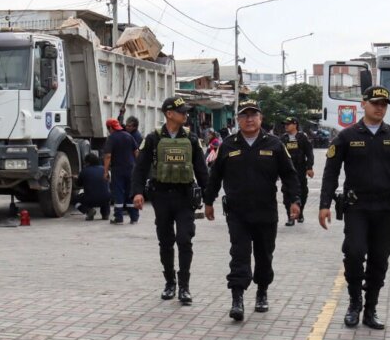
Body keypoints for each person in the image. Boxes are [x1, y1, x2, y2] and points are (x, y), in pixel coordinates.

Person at [319, 85, 390, 330]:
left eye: (384, 104)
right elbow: (331, 172)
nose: (380, 108)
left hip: (385, 208)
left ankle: (370, 308)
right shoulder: (346, 137)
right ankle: (354, 302)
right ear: (363, 104)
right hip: (357, 207)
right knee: (354, 253)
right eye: (375, 103)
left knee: (380, 258)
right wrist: (324, 204)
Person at [204, 101, 301, 322]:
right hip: (237, 213)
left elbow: (289, 175)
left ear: (261, 118)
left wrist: (294, 201)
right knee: (239, 255)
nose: (249, 119)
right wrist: (208, 201)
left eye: (253, 115)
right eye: (244, 116)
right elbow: (215, 176)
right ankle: (237, 298)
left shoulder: (275, 144)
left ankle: (262, 291)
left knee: (264, 255)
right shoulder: (228, 145)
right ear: (238, 120)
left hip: (266, 212)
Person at [131, 96, 210, 305]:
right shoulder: (153, 139)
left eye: (185, 111)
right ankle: (169, 283)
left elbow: (202, 170)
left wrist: (209, 197)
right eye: (181, 111)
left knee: (184, 239)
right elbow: (140, 168)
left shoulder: (192, 139)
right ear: (169, 114)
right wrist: (137, 192)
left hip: (185, 197)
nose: (185, 115)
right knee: (165, 241)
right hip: (162, 197)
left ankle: (184, 286)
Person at [281, 116, 315, 226]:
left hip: (300, 170)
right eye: (285, 124)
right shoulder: (283, 139)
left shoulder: (302, 137)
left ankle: (300, 212)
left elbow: (309, 153)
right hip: (286, 171)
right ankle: (290, 216)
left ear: (295, 125)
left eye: (288, 124)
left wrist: (309, 167)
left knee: (302, 192)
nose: (286, 126)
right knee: (287, 193)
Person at [104, 119, 139, 224]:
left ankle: (119, 218)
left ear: (110, 128)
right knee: (130, 192)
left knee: (118, 192)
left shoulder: (111, 138)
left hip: (118, 169)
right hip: (131, 168)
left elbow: (108, 155)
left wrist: (105, 171)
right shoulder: (128, 136)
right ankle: (134, 217)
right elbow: (136, 151)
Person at [75, 151, 111, 221]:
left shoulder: (84, 171)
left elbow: (78, 185)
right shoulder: (104, 169)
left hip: (90, 200)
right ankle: (105, 214)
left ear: (88, 162)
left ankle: (88, 211)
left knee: (76, 200)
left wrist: (79, 177)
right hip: (106, 198)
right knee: (105, 196)